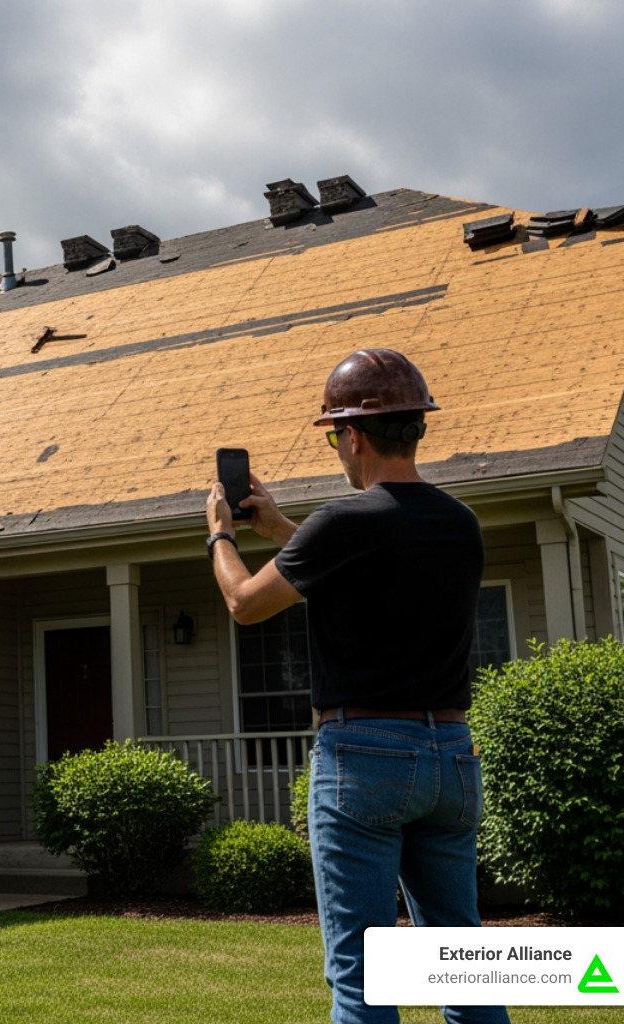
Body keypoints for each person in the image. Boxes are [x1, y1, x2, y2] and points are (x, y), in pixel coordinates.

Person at [204, 349, 510, 1024]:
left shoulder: (343, 523)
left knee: (364, 978)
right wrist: (283, 528)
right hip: (453, 757)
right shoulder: (459, 523)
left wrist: (221, 537)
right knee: (463, 967)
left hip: (364, 757)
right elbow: (365, 572)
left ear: (352, 435)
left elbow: (246, 603)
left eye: (333, 436)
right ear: (415, 427)